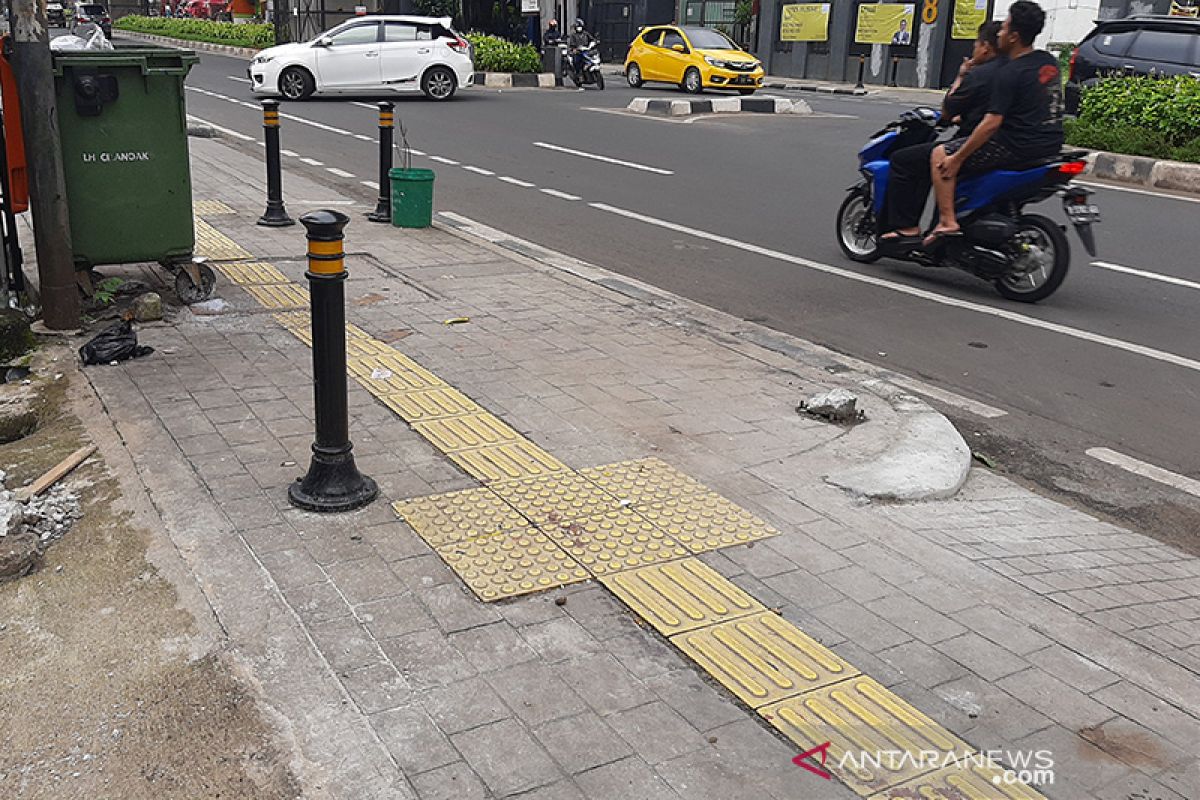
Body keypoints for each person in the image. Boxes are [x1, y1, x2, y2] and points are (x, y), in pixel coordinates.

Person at [924, 0, 1063, 246]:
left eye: (1005, 27)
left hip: (1015, 146)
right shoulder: (1048, 62)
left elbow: (991, 124)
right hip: (1051, 144)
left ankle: (947, 221)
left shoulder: (1009, 73)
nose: (1000, 31)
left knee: (939, 154)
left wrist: (956, 159)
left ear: (1014, 36)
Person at [882, 20, 1004, 242]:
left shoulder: (979, 75)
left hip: (976, 143)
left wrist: (961, 75)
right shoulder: (1015, 71)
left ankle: (907, 227)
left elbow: (948, 111)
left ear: (986, 47)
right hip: (1008, 144)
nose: (974, 49)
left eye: (976, 44)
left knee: (903, 160)